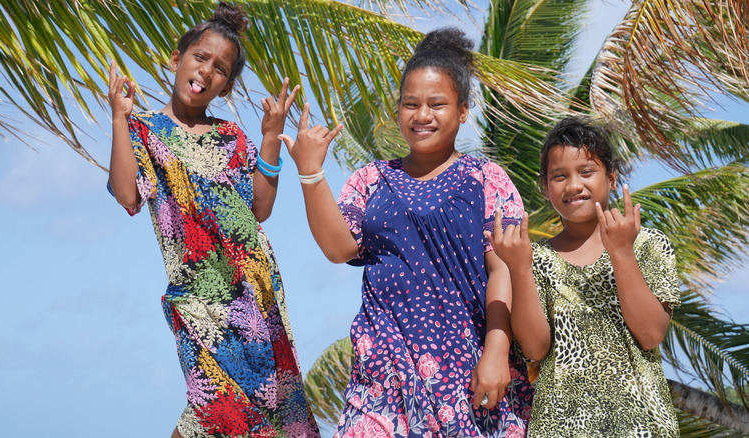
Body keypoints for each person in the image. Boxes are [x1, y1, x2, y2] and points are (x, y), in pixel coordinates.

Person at [280, 28, 533, 437]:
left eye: (437, 104)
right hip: (381, 375)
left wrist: (497, 350)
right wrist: (310, 172)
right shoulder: (370, 179)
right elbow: (339, 248)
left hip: (466, 373)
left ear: (463, 110)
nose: (421, 115)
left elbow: (503, 269)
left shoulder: (487, 179)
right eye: (410, 104)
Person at [107, 3, 319, 437]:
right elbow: (127, 195)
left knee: (268, 410)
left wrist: (269, 139)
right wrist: (118, 118)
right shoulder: (143, 131)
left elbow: (259, 209)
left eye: (220, 68)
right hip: (196, 299)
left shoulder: (232, 138)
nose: (206, 71)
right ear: (176, 58)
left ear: (225, 87)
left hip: (255, 294)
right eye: (200, 57)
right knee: (214, 408)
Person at [488, 116, 680, 437]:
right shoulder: (534, 259)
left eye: (587, 172)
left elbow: (650, 334)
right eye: (560, 176)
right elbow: (535, 349)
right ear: (545, 189)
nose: (574, 185)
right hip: (559, 426)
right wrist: (520, 268)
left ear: (612, 178)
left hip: (642, 425)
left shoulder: (647, 244)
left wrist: (621, 253)